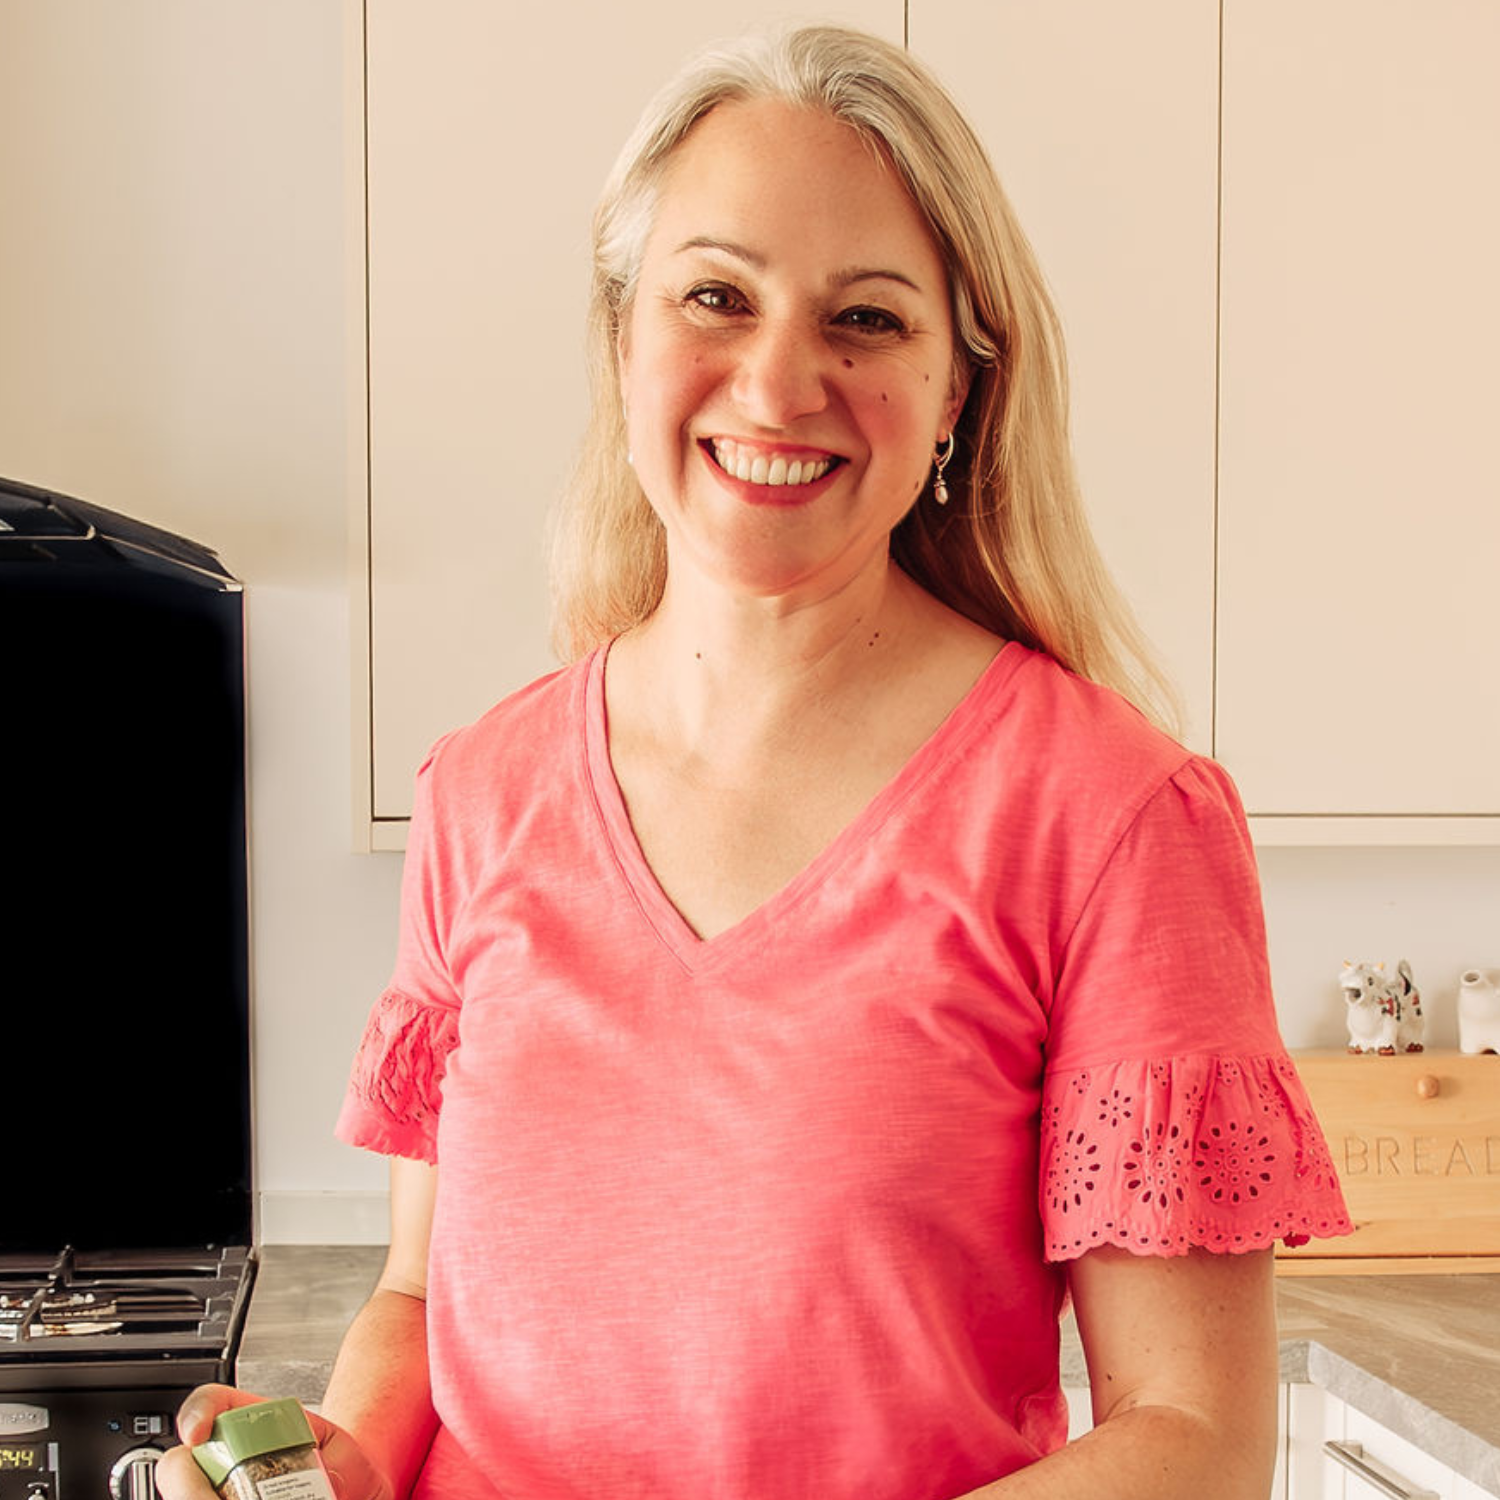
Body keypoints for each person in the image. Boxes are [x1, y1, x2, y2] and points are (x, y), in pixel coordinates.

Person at [159, 24, 1352, 1500]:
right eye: (716, 296)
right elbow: (417, 1300)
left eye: (867, 319)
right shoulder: (483, 786)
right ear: (623, 338)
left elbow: (1196, 1443)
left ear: (960, 390)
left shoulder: (1109, 818)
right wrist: (331, 1463)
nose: (782, 384)